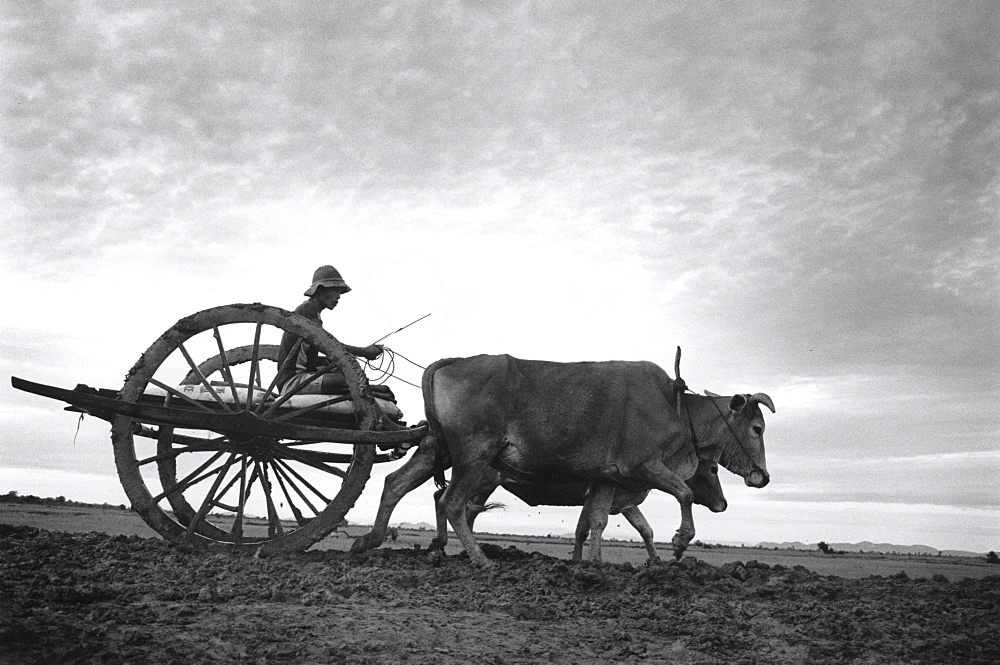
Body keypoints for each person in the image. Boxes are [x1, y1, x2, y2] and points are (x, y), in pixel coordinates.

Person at [276, 265, 384, 395]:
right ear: (320, 290)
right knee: (349, 379)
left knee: (347, 377)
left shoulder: (313, 313)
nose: (338, 296)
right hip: (293, 382)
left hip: (303, 377)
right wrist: (365, 351)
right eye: (335, 290)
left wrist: (326, 362)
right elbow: (328, 345)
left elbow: (310, 356)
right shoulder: (307, 309)